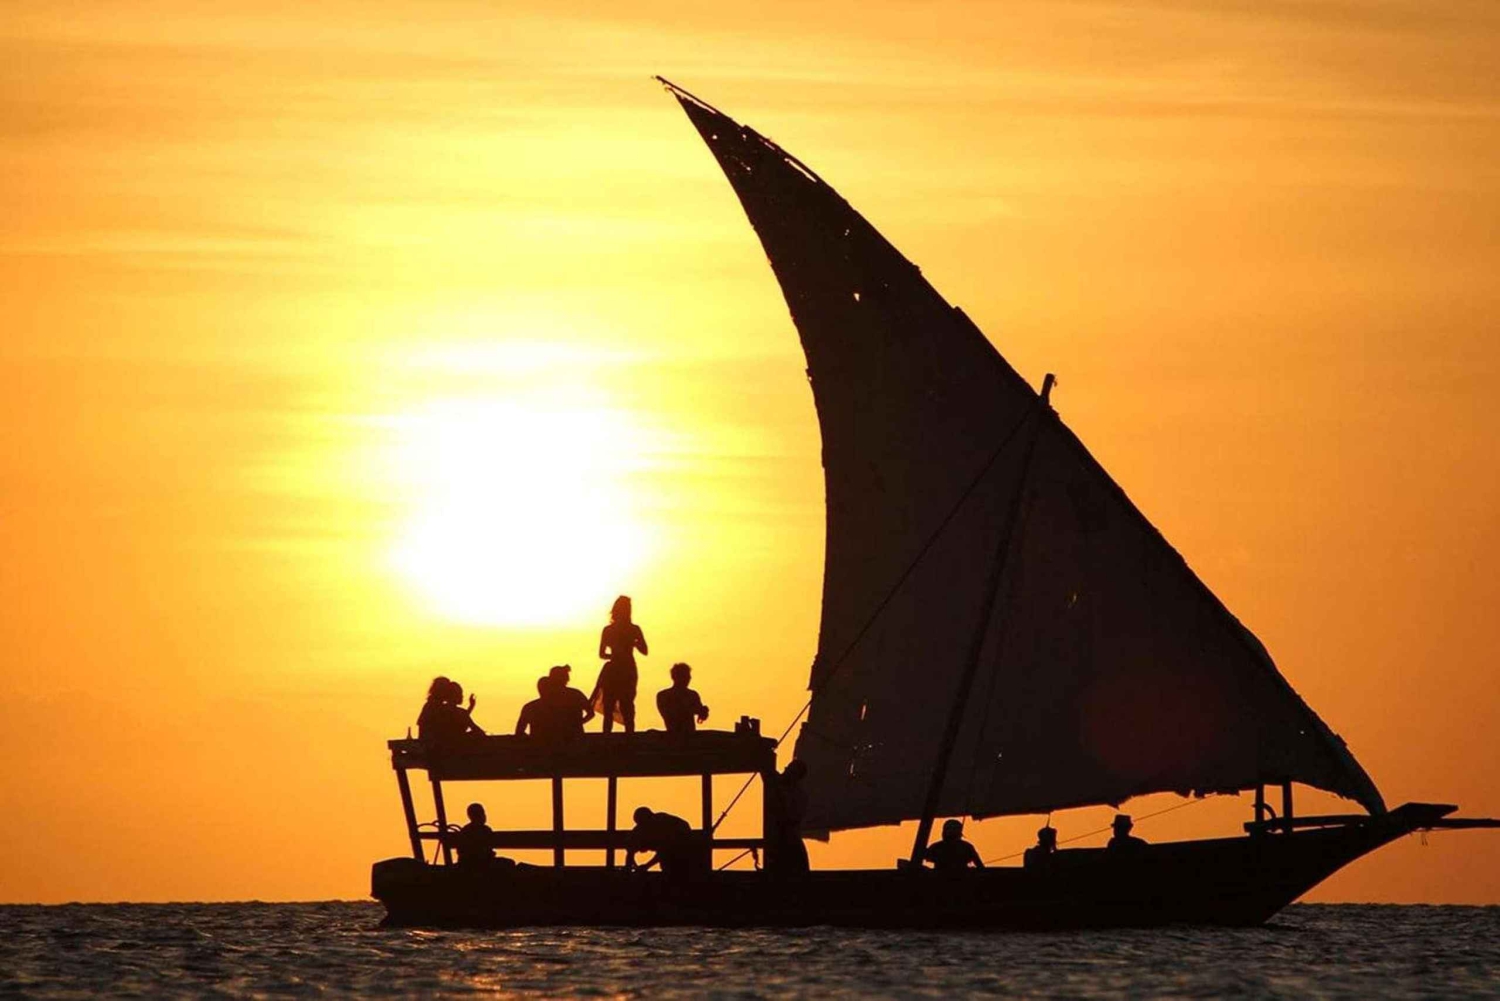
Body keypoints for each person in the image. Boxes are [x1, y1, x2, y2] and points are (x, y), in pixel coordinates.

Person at [591, 595, 648, 733]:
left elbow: (644, 650)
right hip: (619, 668)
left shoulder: (630, 629)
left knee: (623, 703)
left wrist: (632, 644)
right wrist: (620, 653)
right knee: (612, 704)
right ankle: (615, 735)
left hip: (623, 668)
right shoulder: (615, 630)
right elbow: (601, 654)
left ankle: (624, 734)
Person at [626, 807, 704, 878]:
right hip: (678, 852)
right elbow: (630, 849)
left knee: (672, 868)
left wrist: (646, 866)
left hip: (683, 853)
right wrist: (629, 868)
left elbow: (664, 850)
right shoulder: (642, 828)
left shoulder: (663, 824)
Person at [764, 760, 810, 875]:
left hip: (788, 842)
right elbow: (767, 771)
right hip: (783, 840)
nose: (785, 769)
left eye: (790, 769)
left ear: (796, 776)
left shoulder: (798, 795)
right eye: (788, 767)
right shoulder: (781, 786)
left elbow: (790, 816)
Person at [418, 677, 486, 743]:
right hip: (442, 746)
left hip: (437, 745)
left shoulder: (435, 706)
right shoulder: (436, 707)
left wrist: (470, 708)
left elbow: (460, 719)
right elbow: (461, 720)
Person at [656, 662, 709, 734]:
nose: (689, 678)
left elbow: (702, 715)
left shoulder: (693, 695)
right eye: (685, 675)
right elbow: (670, 714)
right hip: (675, 735)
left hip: (689, 734)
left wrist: (703, 712)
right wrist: (696, 710)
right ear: (676, 677)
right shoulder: (664, 696)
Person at [546, 664, 595, 737]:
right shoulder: (576, 694)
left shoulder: (548, 697)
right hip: (575, 734)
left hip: (557, 736)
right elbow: (591, 713)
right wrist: (578, 724)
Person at [451, 802, 496, 867]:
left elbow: (460, 851)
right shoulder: (485, 830)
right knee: (509, 863)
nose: (484, 815)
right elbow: (486, 852)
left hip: (465, 863)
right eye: (482, 813)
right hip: (482, 864)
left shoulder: (465, 830)